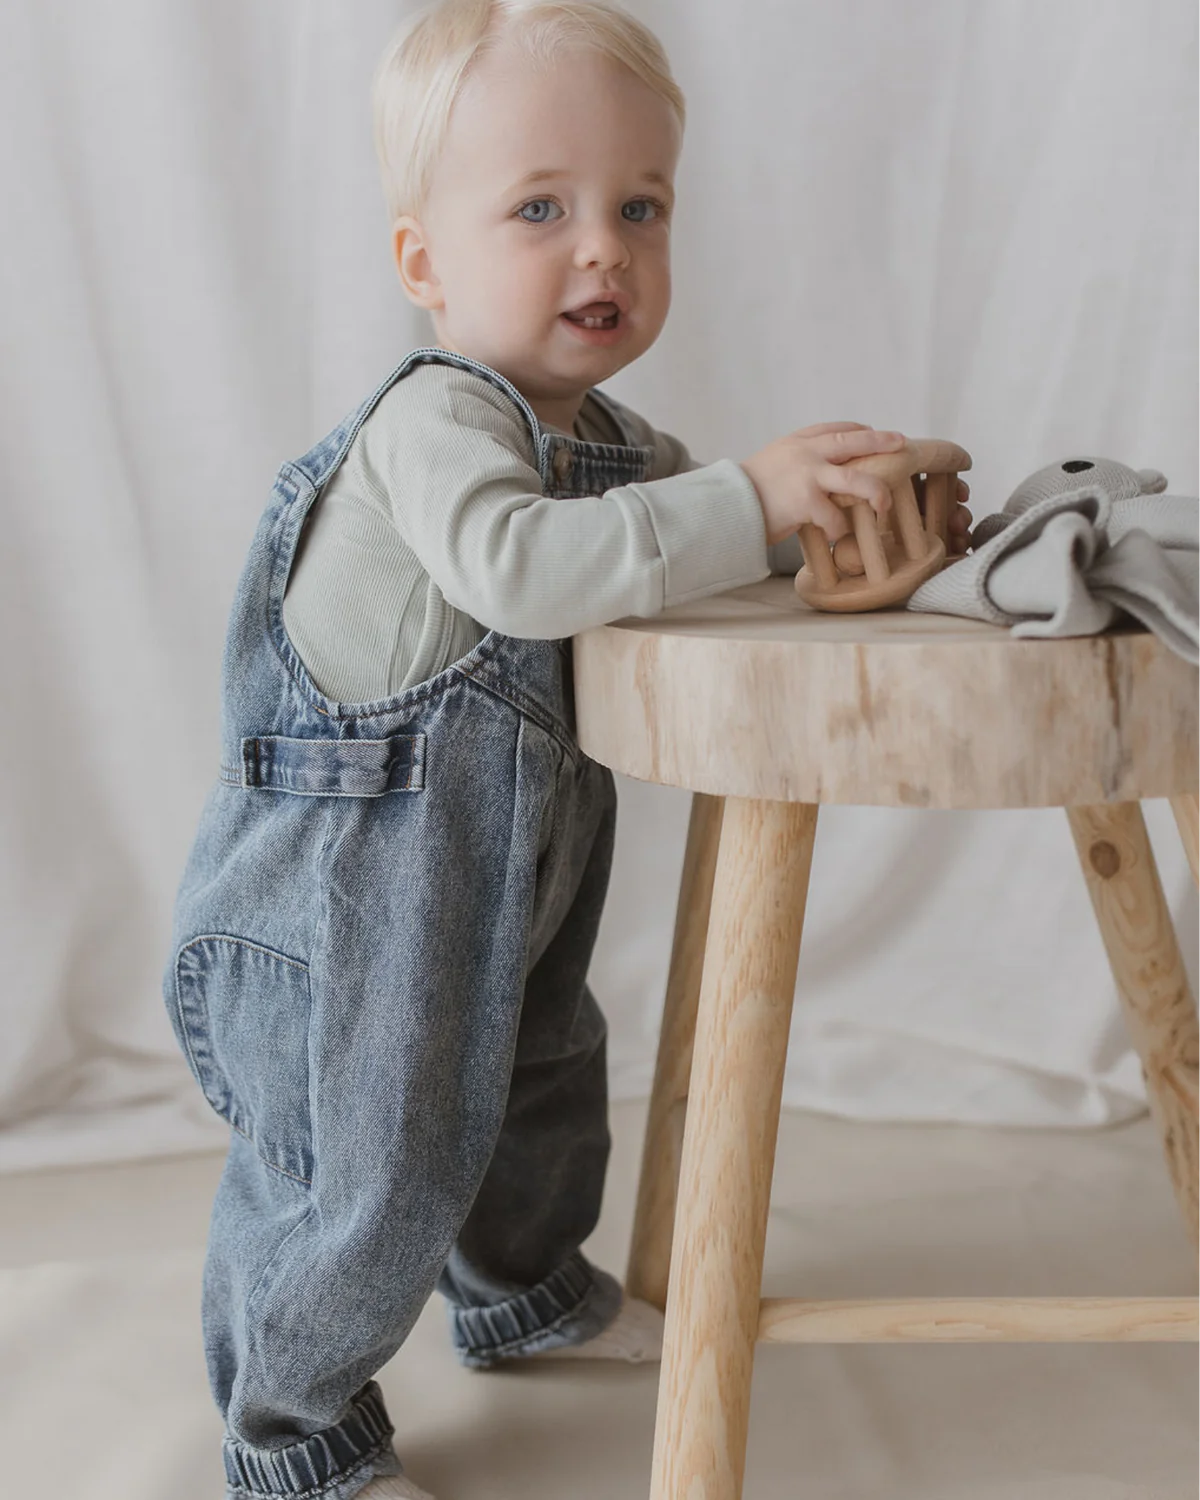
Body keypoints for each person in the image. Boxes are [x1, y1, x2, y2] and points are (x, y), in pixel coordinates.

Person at [163, 2, 972, 1496]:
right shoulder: (432, 427)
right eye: (540, 208)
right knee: (369, 1166)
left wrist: (826, 543)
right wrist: (751, 491)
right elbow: (524, 568)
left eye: (639, 207)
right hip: (339, 909)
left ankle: (524, 1295)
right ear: (424, 262)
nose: (602, 246)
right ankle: (290, 1429)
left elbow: (677, 556)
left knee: (542, 1082)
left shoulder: (611, 442)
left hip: (497, 880)